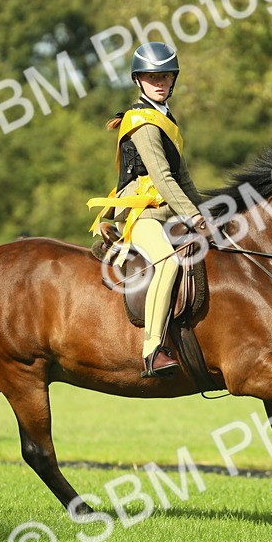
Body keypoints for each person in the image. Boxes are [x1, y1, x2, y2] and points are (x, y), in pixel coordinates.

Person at [87, 42, 211, 378]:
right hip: (141, 213)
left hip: (167, 212)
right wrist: (194, 216)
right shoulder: (140, 120)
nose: (159, 82)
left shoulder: (166, 119)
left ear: (174, 80)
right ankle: (152, 349)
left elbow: (183, 179)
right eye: (150, 76)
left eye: (165, 76)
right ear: (138, 80)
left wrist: (208, 214)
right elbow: (162, 177)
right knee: (168, 263)